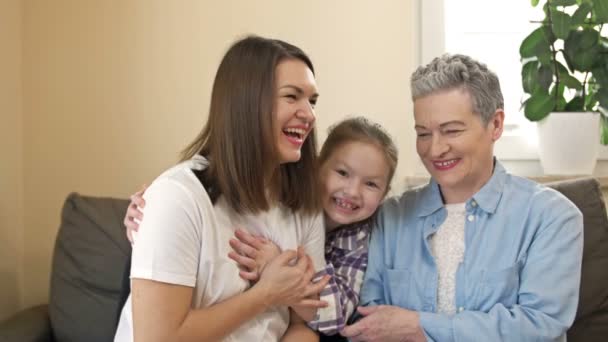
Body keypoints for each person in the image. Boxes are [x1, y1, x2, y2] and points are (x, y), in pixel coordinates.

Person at [340, 54, 584, 342]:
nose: (435, 149)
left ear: (495, 124)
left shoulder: (552, 217)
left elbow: (538, 326)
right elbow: (368, 321)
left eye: (451, 131)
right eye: (423, 134)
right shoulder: (389, 216)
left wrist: (421, 327)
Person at [114, 35, 331, 342]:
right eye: (292, 97)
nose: (309, 114)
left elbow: (303, 324)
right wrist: (266, 294)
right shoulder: (176, 199)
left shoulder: (302, 203)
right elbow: (156, 338)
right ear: (247, 103)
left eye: (312, 101)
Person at [124, 117, 399, 341]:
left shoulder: (359, 238)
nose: (352, 191)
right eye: (342, 173)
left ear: (385, 193)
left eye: (371, 184)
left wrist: (277, 266)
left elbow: (332, 316)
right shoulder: (278, 203)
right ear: (316, 167)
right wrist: (149, 210)